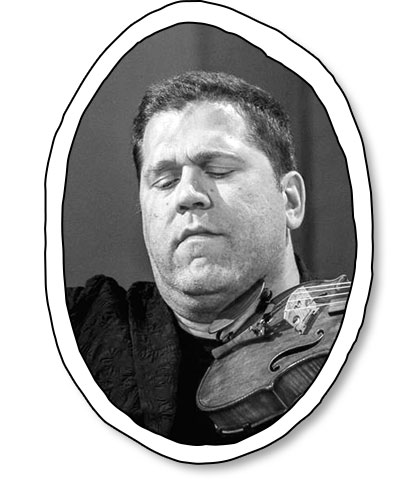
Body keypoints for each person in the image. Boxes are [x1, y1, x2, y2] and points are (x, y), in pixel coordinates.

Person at [67, 71, 314, 445]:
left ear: (289, 200)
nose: (187, 194)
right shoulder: (73, 327)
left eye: (218, 170)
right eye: (165, 181)